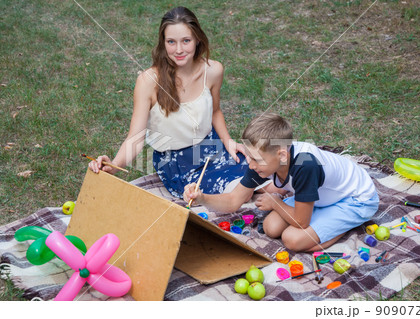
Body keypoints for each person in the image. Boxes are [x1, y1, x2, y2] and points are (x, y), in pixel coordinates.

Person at [88, 6, 249, 198]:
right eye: (171, 42)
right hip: (177, 164)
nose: (179, 49)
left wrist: (228, 142)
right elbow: (135, 138)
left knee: (263, 174)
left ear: (198, 39)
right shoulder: (148, 81)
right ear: (163, 43)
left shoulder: (213, 70)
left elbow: (215, 112)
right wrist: (113, 166)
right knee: (239, 191)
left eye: (186, 41)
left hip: (212, 147)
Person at [183, 113, 379, 252]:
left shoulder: (306, 166)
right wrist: (201, 198)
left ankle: (349, 224)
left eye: (255, 159)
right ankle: (325, 220)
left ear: (282, 155)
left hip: (356, 199)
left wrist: (276, 203)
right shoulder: (264, 160)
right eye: (248, 157)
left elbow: (302, 223)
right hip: (323, 198)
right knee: (271, 227)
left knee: (292, 239)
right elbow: (234, 200)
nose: (250, 165)